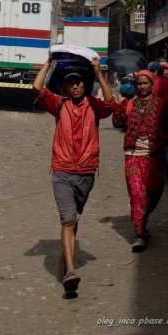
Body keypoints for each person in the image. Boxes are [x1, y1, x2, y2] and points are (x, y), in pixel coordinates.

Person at [33, 57, 115, 292]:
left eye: (79, 82)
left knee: (74, 219)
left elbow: (111, 105)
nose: (76, 86)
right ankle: (70, 271)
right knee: (68, 219)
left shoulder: (93, 105)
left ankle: (63, 256)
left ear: (84, 85)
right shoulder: (59, 105)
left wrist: (99, 74)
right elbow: (37, 88)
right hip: (62, 172)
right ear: (65, 88)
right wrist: (48, 64)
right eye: (71, 83)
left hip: (87, 173)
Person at [112, 70, 168, 252]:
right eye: (139, 84)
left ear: (151, 84)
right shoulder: (129, 104)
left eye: (145, 84)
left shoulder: (161, 105)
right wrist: (118, 105)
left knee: (155, 191)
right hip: (133, 156)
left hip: (154, 156)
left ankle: (143, 217)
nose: (142, 87)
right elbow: (117, 123)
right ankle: (140, 233)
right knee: (137, 194)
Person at [147, 61, 168, 186]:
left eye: (150, 71)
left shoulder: (151, 85)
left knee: (157, 146)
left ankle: (158, 172)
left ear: (155, 72)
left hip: (156, 119)